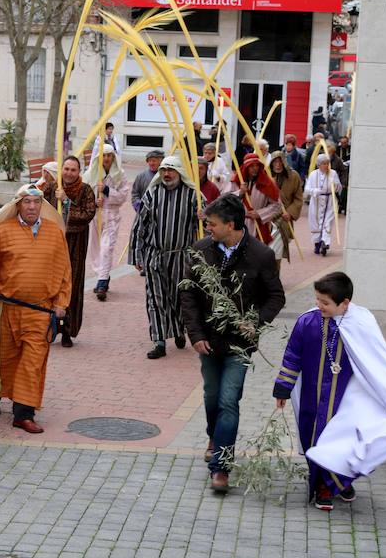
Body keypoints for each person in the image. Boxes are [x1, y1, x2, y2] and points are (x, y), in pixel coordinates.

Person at [274, 272, 386, 510]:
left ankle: (331, 485)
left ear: (345, 303)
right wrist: (283, 388)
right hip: (313, 394)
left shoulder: (361, 323)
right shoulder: (307, 322)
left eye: (325, 303)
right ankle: (330, 481)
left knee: (343, 439)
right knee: (314, 436)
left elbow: (376, 360)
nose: (319, 305)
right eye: (317, 300)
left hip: (347, 398)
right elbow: (293, 356)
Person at [181, 194, 285, 493]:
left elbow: (276, 297)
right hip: (208, 342)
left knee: (229, 400)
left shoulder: (261, 254)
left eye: (212, 224)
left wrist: (255, 323)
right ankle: (215, 436)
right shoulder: (201, 250)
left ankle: (221, 466)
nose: (207, 229)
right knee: (212, 396)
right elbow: (188, 295)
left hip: (239, 345)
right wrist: (196, 335)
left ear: (231, 225)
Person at [0, 184, 72, 434]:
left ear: (42, 205)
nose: (31, 207)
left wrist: (61, 303)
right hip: (5, 309)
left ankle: (23, 413)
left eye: (36, 202)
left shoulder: (54, 233)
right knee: (0, 358)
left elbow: (64, 272)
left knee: (32, 363)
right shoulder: (2, 231)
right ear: (18, 205)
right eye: (27, 202)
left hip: (40, 312)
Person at [130, 155, 200, 359]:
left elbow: (207, 222)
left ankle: (178, 330)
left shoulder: (192, 195)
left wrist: (203, 215)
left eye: (171, 170)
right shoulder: (152, 193)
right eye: (163, 170)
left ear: (179, 172)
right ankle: (159, 340)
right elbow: (139, 225)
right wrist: (137, 255)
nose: (167, 174)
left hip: (181, 257)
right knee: (155, 298)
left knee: (180, 297)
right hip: (155, 255)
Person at [43, 156, 97, 347]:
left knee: (71, 287)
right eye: (66, 169)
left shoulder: (85, 190)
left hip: (75, 244)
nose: (69, 173)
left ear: (79, 172)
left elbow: (88, 214)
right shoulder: (51, 188)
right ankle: (50, 326)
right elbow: (43, 211)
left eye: (73, 170)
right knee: (50, 285)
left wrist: (67, 203)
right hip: (53, 244)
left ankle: (67, 330)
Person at [85, 143, 131, 301]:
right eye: (103, 155)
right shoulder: (92, 173)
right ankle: (101, 276)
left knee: (106, 248)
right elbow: (84, 193)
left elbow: (123, 196)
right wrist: (92, 201)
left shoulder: (120, 174)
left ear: (113, 157)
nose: (106, 159)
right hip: (95, 215)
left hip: (111, 215)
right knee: (95, 250)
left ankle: (102, 282)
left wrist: (106, 191)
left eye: (109, 155)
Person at [228, 153, 281, 249]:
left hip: (258, 224)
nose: (255, 168)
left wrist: (259, 213)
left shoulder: (267, 183)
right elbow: (227, 200)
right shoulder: (236, 181)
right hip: (239, 223)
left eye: (257, 165)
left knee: (256, 252)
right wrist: (240, 192)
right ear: (246, 167)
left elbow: (276, 205)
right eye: (251, 166)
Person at [269, 151, 304, 269]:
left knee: (276, 251)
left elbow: (298, 199)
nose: (278, 165)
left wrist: (290, 213)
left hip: (283, 219)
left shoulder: (294, 176)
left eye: (280, 162)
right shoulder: (267, 175)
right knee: (266, 251)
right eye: (275, 162)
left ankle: (274, 277)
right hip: (267, 218)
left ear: (284, 162)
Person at [305, 153, 342, 257]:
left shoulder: (333, 173)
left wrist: (335, 184)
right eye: (323, 164)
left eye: (327, 163)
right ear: (318, 165)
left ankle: (325, 243)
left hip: (329, 201)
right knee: (315, 223)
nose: (326, 166)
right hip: (316, 201)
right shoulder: (313, 174)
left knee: (327, 222)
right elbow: (307, 189)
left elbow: (339, 188)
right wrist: (315, 191)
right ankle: (317, 244)